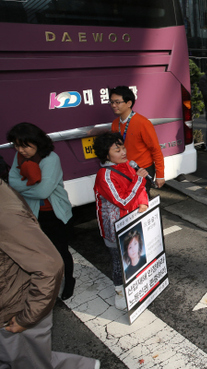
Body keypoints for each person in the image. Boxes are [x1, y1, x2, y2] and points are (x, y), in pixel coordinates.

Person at [0, 179, 99, 369]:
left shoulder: (6, 212)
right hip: (14, 303)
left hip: (15, 311)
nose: (23, 151)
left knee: (31, 360)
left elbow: (50, 266)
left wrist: (27, 318)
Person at [6, 122, 76, 300]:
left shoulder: (50, 158)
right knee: (41, 253)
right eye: (16, 145)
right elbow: (12, 182)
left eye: (24, 145)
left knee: (61, 251)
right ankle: (50, 284)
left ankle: (69, 281)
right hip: (33, 214)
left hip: (54, 214)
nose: (20, 150)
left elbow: (43, 191)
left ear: (36, 142)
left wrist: (23, 187)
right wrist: (29, 185)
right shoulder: (18, 158)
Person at [93, 132, 149, 310]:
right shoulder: (105, 175)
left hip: (132, 222)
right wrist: (139, 179)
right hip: (114, 228)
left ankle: (136, 288)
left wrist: (144, 203)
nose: (123, 152)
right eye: (117, 150)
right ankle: (119, 292)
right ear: (106, 154)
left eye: (123, 147)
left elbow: (139, 192)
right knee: (119, 262)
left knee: (136, 256)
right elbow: (123, 200)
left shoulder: (128, 165)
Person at [109, 86, 165, 193]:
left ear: (129, 103)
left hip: (143, 169)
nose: (114, 105)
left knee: (141, 201)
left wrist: (160, 175)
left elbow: (155, 149)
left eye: (117, 102)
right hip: (125, 169)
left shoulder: (142, 123)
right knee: (129, 199)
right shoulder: (115, 124)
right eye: (112, 102)